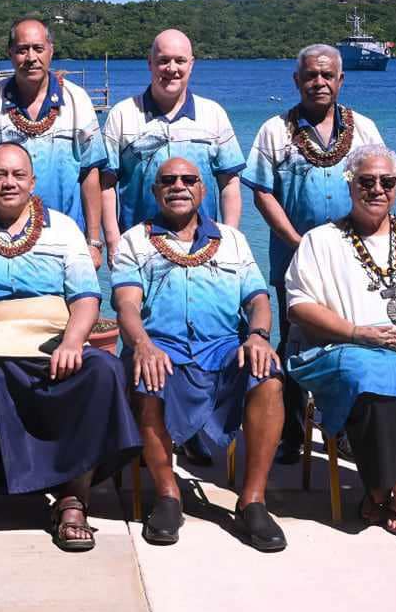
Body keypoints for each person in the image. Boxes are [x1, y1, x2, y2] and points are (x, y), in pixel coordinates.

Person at [0, 143, 142, 555]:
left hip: (47, 343)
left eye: (18, 175)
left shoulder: (62, 228)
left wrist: (74, 341)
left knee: (103, 372)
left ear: (32, 181)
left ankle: (72, 499)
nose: (9, 183)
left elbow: (85, 298)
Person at [284, 146, 396, 538]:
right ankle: (386, 489)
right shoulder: (320, 241)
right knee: (368, 380)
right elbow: (299, 306)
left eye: (387, 182)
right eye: (367, 180)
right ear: (350, 183)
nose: (377, 189)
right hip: (345, 345)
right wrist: (355, 332)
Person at [112, 157, 286, 551]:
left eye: (188, 179)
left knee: (270, 379)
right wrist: (142, 344)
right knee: (146, 375)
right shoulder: (134, 240)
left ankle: (253, 500)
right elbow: (126, 305)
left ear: (203, 189)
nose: (178, 186)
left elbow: (258, 298)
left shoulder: (232, 239)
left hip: (225, 346)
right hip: (163, 346)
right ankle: (168, 494)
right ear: (155, 191)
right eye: (168, 180)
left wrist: (258, 337)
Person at [242, 43, 385, 457]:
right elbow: (263, 194)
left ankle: (343, 426)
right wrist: (299, 243)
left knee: (351, 341)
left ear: (341, 80)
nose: (318, 82)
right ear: (297, 80)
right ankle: (288, 431)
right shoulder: (275, 130)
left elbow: (379, 188)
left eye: (327, 75)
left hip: (353, 261)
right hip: (294, 260)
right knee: (294, 343)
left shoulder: (366, 129)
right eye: (310, 75)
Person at [0, 18, 109, 256]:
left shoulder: (77, 100)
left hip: (66, 240)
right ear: (10, 53)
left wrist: (93, 242)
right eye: (22, 50)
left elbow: (90, 173)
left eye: (38, 49)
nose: (31, 57)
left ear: (51, 51)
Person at [100, 29, 246, 257]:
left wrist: (229, 237)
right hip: (138, 247)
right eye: (163, 61)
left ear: (192, 64)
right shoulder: (122, 114)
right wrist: (112, 240)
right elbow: (106, 185)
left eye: (180, 61)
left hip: (204, 246)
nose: (172, 69)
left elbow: (229, 183)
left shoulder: (213, 114)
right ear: (150, 63)